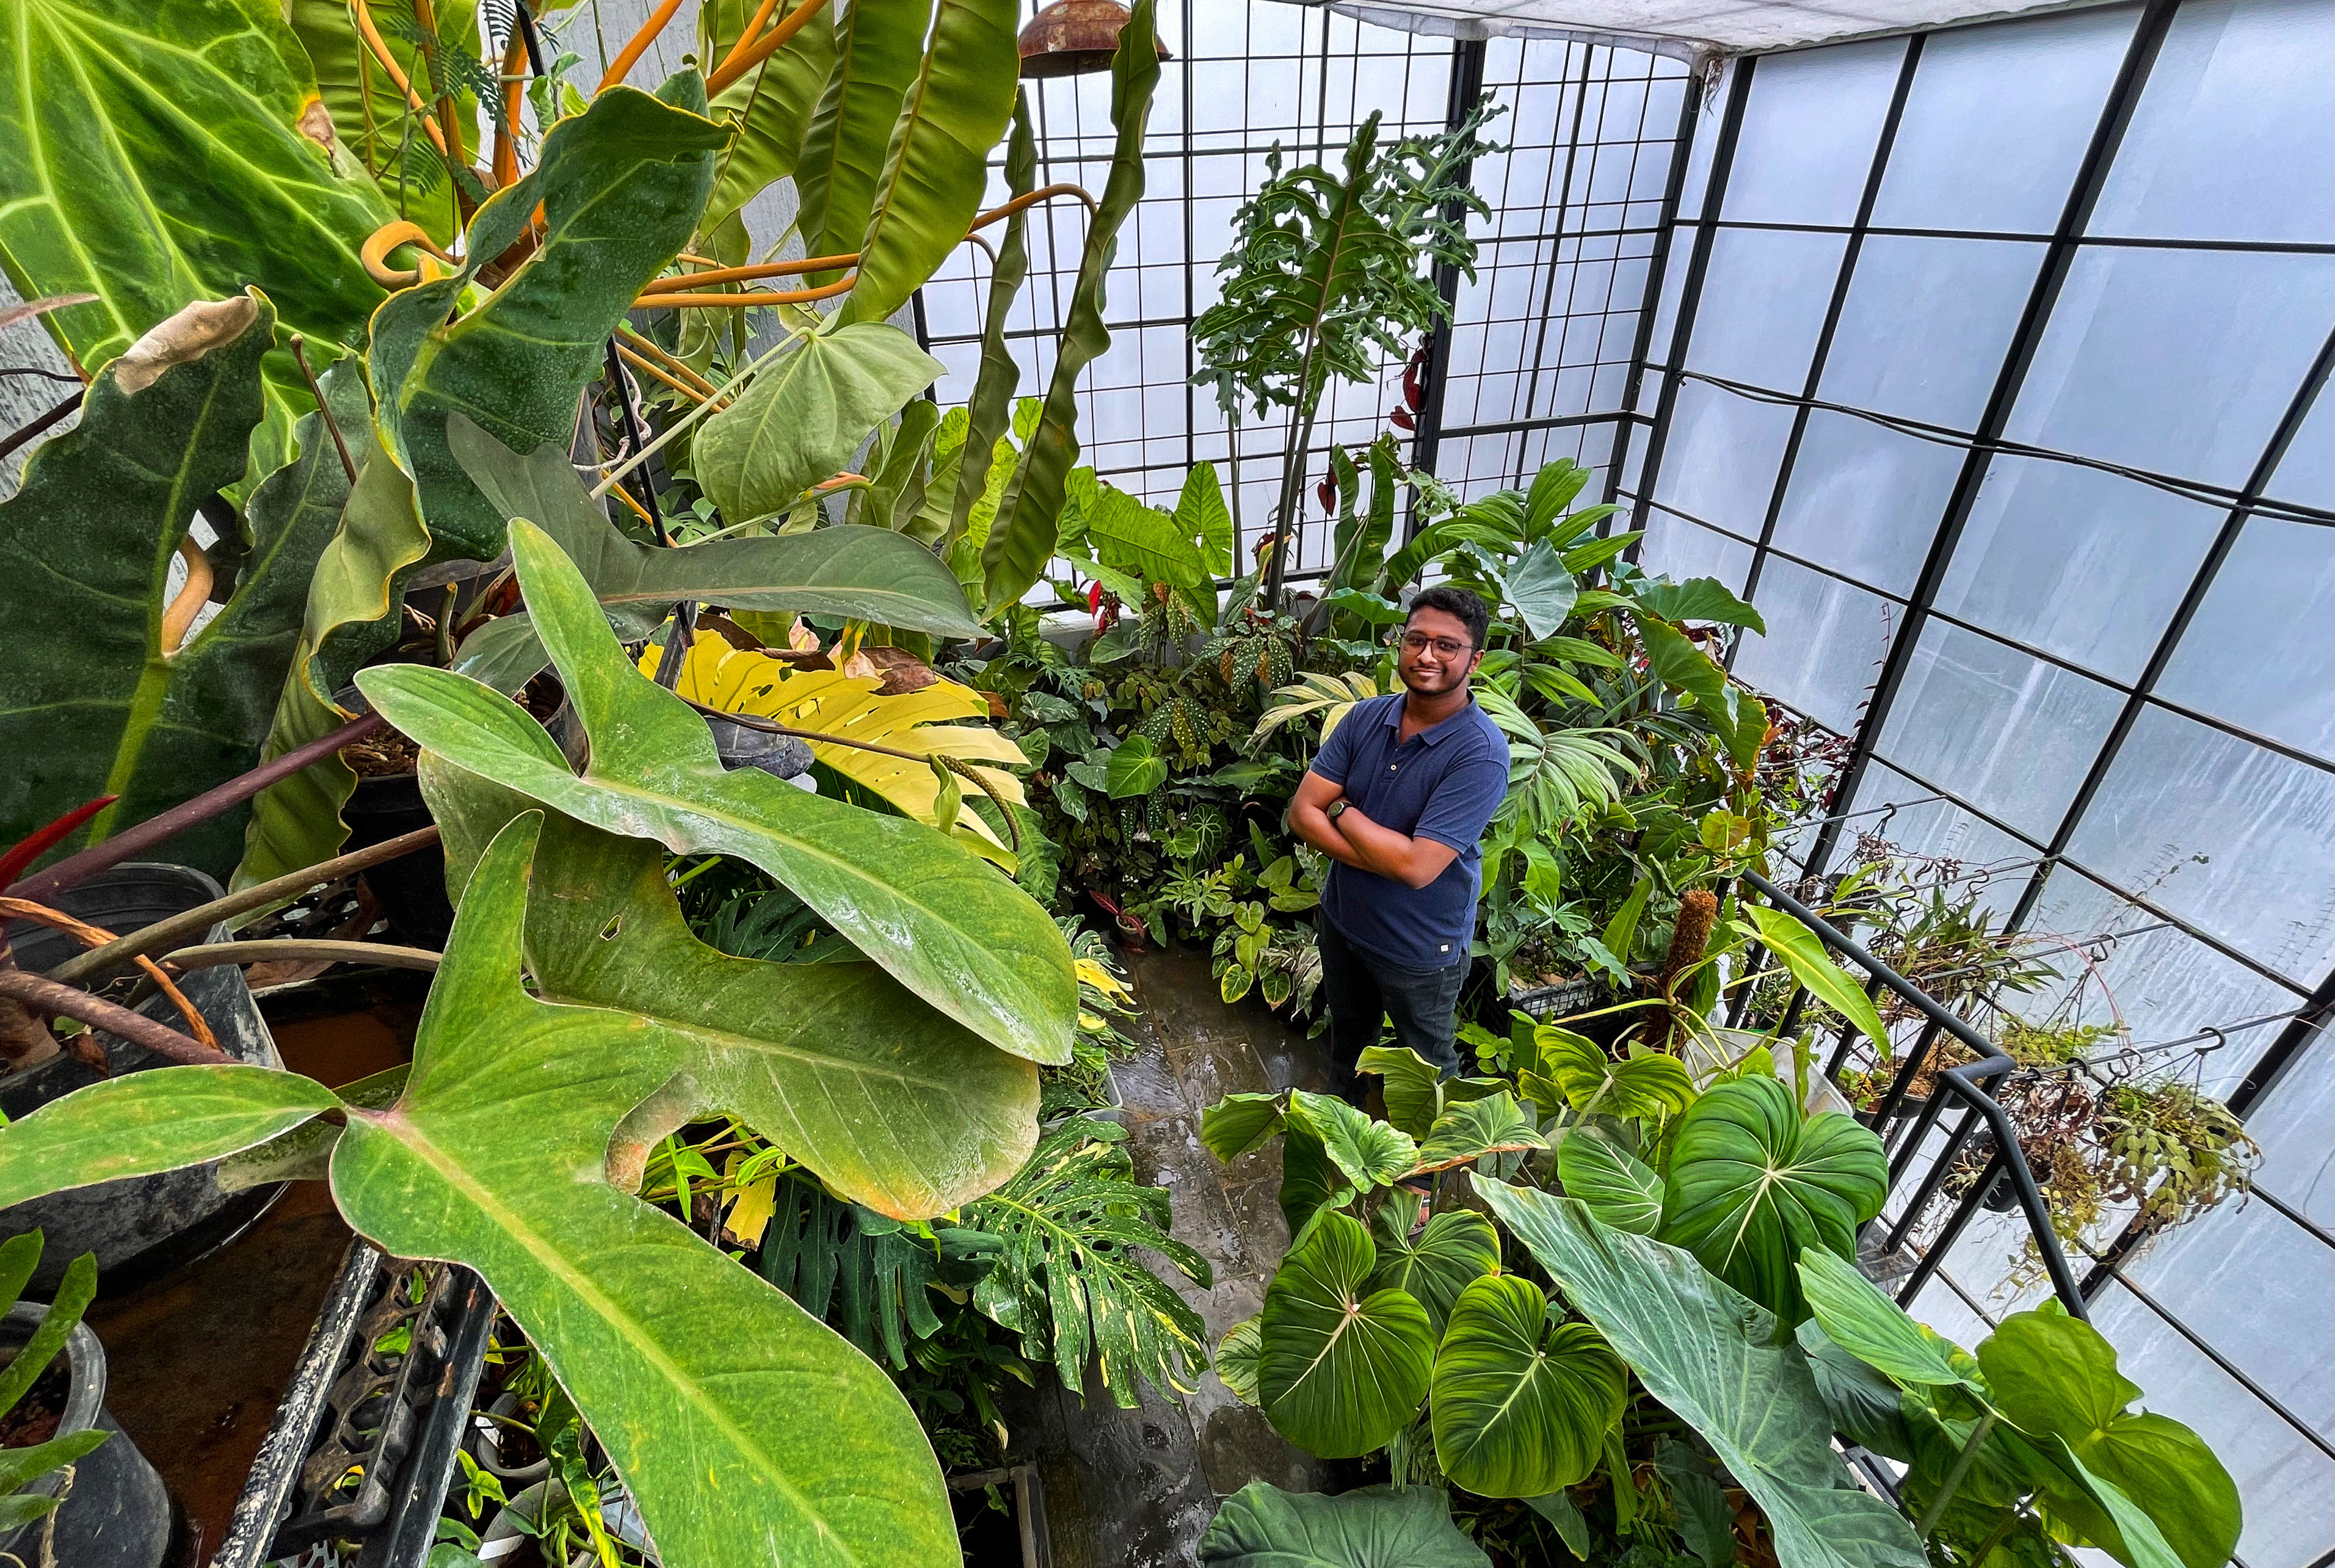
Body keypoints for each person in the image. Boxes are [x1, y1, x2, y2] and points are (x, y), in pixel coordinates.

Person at [1290, 586, 1509, 1106]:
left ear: (1474, 660)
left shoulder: (1480, 754)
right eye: (1416, 639)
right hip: (1344, 924)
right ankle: (1339, 1131)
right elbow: (1301, 813)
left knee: (1428, 1064)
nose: (1427, 655)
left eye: (1447, 645)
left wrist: (1343, 812)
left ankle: (1430, 1171)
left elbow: (1417, 869)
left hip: (1419, 948)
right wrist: (1380, 852)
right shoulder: (1367, 718)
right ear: (1400, 645)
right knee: (1349, 1045)